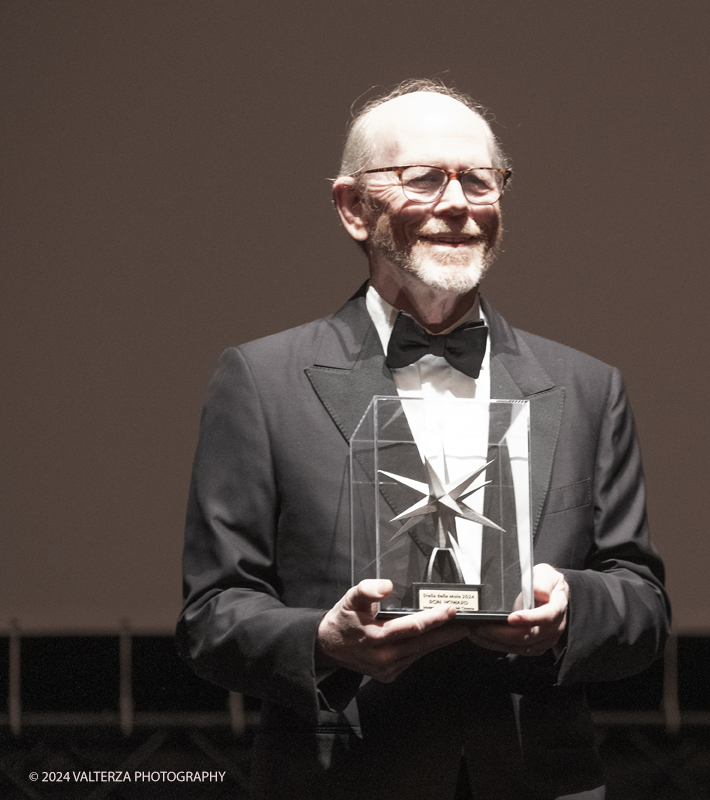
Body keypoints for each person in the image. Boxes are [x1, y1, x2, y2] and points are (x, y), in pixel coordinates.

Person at [176, 80, 670, 800]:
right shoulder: (261, 381)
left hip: (539, 781)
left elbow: (642, 602)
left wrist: (569, 611)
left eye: (479, 179)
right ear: (352, 207)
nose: (458, 202)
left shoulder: (587, 386)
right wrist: (324, 641)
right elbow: (211, 614)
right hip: (344, 780)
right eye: (425, 178)